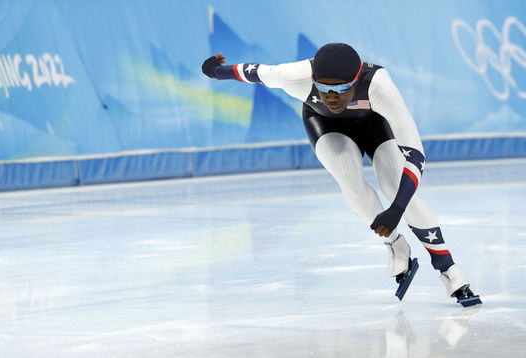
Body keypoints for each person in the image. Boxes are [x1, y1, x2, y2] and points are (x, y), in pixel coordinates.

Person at [201, 43, 481, 306]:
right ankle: (395, 244)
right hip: (324, 123)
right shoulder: (293, 76)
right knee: (349, 180)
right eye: (323, 88)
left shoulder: (380, 86)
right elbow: (254, 72)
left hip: (373, 122)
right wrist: (214, 71)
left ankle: (448, 269)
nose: (332, 97)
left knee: (396, 184)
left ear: (357, 80)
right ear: (313, 78)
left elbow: (416, 156)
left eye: (342, 89)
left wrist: (396, 208)